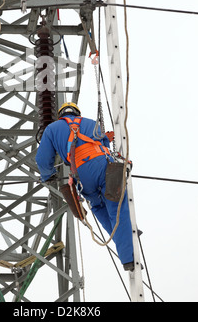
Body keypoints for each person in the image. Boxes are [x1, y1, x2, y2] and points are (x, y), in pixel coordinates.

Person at [35, 102, 134, 271]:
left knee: (97, 206)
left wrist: (48, 175)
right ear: (77, 113)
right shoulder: (91, 123)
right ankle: (128, 255)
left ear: (61, 115)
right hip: (103, 165)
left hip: (82, 174)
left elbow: (42, 159)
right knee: (116, 207)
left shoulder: (52, 129)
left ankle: (121, 238)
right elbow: (105, 145)